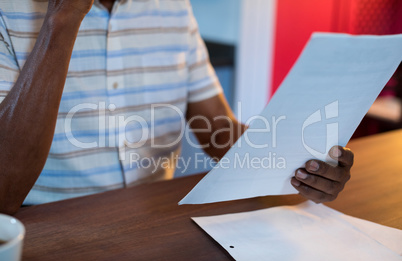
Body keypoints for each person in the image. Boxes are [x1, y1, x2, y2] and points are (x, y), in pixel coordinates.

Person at [0, 0, 353, 214]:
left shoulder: (173, 6)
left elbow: (216, 129)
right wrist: (63, 18)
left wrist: (299, 162)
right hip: (43, 227)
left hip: (151, 219)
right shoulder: (7, 12)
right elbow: (4, 193)